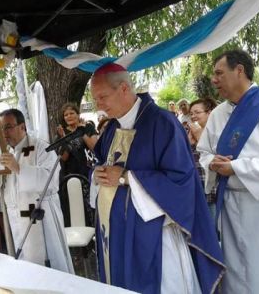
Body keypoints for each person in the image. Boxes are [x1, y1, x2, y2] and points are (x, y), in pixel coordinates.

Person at [91, 63, 224, 293]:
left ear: (124, 88)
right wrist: (97, 173)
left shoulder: (162, 123)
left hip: (154, 236)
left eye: (102, 97)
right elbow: (101, 163)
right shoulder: (112, 129)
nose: (98, 106)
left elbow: (181, 180)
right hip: (117, 233)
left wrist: (126, 177)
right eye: (95, 99)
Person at [197, 50, 259, 294]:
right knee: (236, 270)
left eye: (219, 73)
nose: (214, 80)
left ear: (239, 71)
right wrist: (213, 163)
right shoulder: (217, 114)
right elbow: (203, 152)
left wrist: (236, 167)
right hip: (230, 203)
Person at [0, 109, 73, 273]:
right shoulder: (5, 153)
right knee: (24, 267)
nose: (4, 133)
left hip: (42, 216)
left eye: (8, 127)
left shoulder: (41, 147)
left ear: (22, 127)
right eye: (1, 128)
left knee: (50, 267)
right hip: (16, 219)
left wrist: (18, 168)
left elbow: (51, 181)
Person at [56, 103, 98, 226]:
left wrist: (82, 131)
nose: (69, 116)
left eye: (71, 113)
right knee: (73, 209)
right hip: (68, 176)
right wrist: (64, 139)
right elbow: (64, 157)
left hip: (85, 174)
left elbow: (94, 147)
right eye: (66, 115)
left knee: (88, 207)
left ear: (78, 114)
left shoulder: (87, 127)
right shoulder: (61, 132)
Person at [187, 97, 218, 218]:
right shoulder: (188, 132)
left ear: (209, 113)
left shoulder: (217, 132)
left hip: (212, 191)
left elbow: (217, 158)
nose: (193, 116)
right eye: (191, 113)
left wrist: (200, 137)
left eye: (197, 112)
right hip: (195, 188)